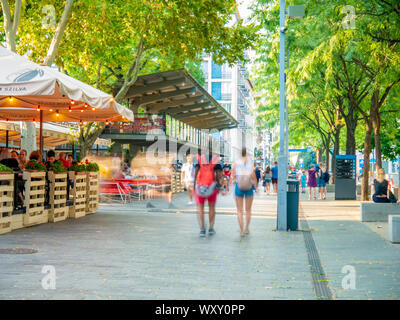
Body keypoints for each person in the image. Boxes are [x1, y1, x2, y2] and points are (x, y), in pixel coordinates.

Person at [194, 153, 224, 237]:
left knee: (200, 208)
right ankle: (211, 228)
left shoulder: (199, 158)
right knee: (212, 208)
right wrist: (220, 186)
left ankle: (202, 229)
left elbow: (195, 172)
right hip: (212, 187)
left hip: (200, 187)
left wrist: (194, 186)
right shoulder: (215, 159)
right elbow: (219, 174)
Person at [231, 148, 257, 237]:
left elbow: (233, 176)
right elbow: (253, 176)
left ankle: (241, 230)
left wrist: (232, 182)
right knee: (248, 210)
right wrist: (256, 187)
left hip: (239, 187)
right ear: (247, 153)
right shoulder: (250, 162)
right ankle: (247, 228)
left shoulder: (236, 162)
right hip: (249, 187)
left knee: (239, 210)